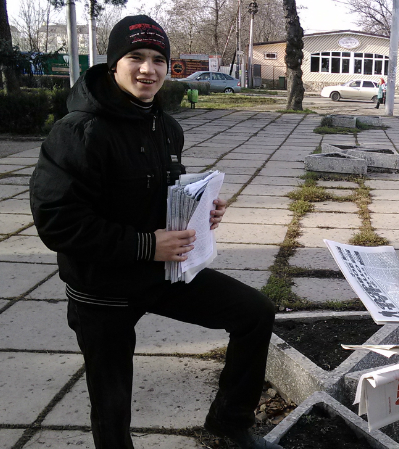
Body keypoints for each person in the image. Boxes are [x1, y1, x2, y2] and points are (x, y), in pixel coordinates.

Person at [30, 15, 281, 449]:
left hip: (163, 275)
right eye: (136, 57)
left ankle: (229, 421)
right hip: (103, 288)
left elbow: (162, 190)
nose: (148, 69)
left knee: (254, 312)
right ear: (113, 64)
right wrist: (147, 245)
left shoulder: (165, 126)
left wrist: (200, 209)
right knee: (111, 404)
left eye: (158, 59)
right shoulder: (78, 131)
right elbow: (57, 220)